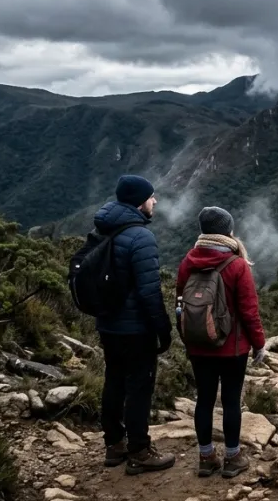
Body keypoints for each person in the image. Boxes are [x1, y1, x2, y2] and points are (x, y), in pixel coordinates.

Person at [92, 175, 176, 475]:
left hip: (108, 324)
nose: (155, 202)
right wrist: (163, 329)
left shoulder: (104, 228)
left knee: (114, 381)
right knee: (139, 387)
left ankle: (114, 445)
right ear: (140, 202)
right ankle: (140, 450)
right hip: (136, 329)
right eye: (152, 197)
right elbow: (149, 291)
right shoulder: (141, 237)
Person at [175, 206, 267, 478]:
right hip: (232, 349)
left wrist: (188, 340)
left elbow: (179, 306)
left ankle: (206, 458)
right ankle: (233, 457)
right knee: (230, 401)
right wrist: (259, 344)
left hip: (198, 346)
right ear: (227, 230)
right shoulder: (237, 265)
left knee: (203, 400)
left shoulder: (187, 262)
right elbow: (249, 310)